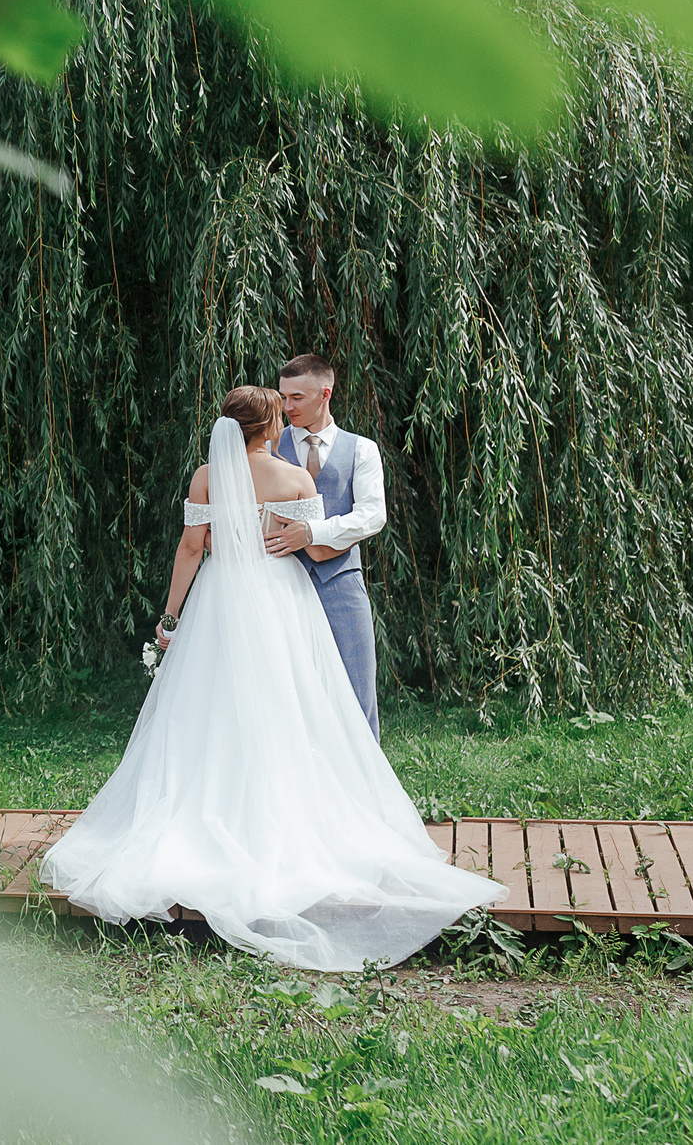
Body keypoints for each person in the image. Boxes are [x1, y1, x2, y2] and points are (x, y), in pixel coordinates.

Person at [39, 386, 501, 971]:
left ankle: (211, 805)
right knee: (290, 704)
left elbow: (190, 548)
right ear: (272, 425)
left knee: (206, 709)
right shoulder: (295, 481)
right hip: (281, 600)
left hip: (220, 598)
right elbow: (311, 545)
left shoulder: (207, 477)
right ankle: (287, 813)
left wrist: (171, 618)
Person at [262, 353, 385, 737]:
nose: (287, 407)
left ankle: (367, 790)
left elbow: (372, 515)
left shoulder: (361, 449)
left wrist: (312, 534)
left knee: (357, 683)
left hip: (340, 582)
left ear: (324, 394)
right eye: (284, 397)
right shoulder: (266, 446)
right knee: (286, 689)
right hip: (279, 581)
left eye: (297, 397)